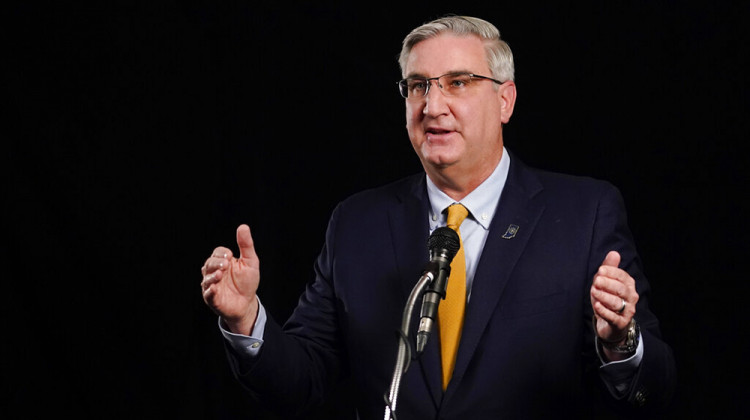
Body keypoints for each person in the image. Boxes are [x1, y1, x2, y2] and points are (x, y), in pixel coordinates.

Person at [200, 15, 676, 419]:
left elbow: (654, 386)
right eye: (418, 86)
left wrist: (620, 340)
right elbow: (303, 380)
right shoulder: (357, 224)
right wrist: (246, 320)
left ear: (505, 100)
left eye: (458, 82)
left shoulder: (584, 213)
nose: (432, 106)